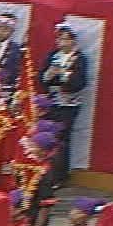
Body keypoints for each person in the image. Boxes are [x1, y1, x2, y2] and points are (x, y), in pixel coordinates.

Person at [39, 25, 91, 185]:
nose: (61, 42)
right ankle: (44, 171)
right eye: (59, 39)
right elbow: (41, 78)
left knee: (61, 138)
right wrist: (48, 75)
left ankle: (60, 176)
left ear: (72, 41)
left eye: (64, 39)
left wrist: (63, 76)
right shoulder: (53, 56)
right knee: (46, 136)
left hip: (68, 104)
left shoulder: (79, 58)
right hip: (51, 102)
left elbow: (80, 82)